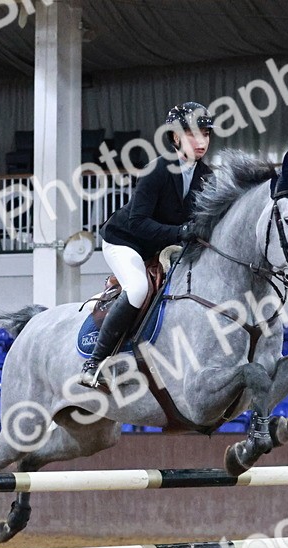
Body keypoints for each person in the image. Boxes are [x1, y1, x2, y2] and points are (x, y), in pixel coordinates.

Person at [79, 102, 214, 387]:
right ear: (175, 137)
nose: (201, 141)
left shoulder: (208, 177)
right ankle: (95, 361)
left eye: (205, 134)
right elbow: (138, 222)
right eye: (193, 134)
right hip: (126, 241)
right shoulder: (157, 170)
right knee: (138, 288)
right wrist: (181, 232)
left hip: (162, 247)